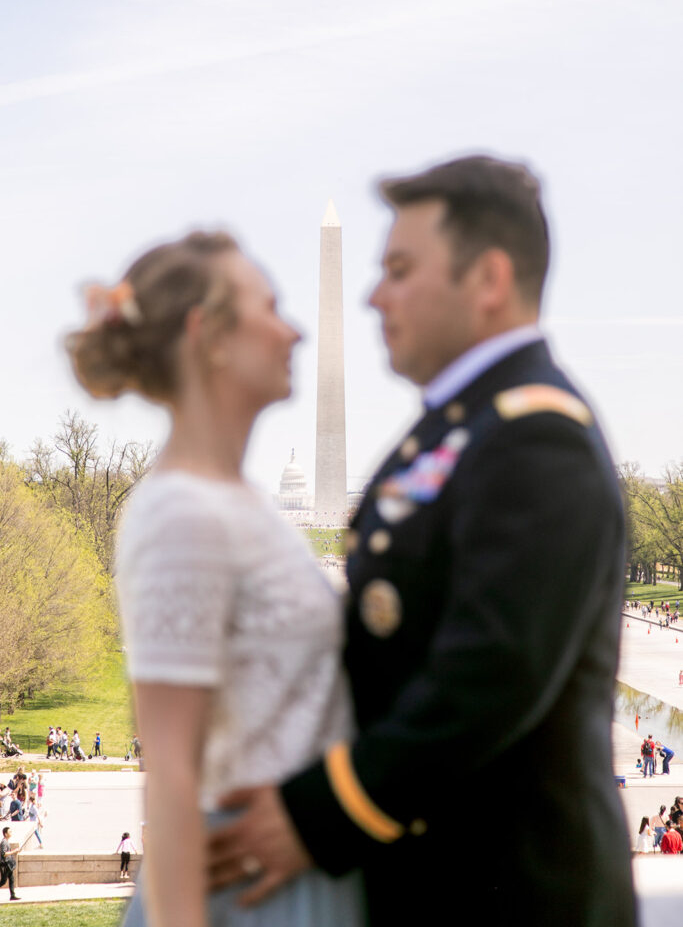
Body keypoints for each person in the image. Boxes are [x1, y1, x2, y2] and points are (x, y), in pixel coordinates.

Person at [207, 155, 636, 926]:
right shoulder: (456, 431)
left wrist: (318, 812)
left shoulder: (536, 438)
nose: (373, 295)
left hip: (509, 891)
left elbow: (490, 672)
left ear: (489, 281)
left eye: (400, 269)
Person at [66, 230, 365, 927]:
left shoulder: (229, 500)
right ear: (211, 336)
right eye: (270, 307)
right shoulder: (180, 512)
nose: (294, 331)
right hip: (248, 899)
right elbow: (170, 777)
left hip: (290, 878)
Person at [0, 826, 20, 900]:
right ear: (5, 834)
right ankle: (12, 895)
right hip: (4, 865)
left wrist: (15, 851)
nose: (11, 833)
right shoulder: (4, 842)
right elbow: (4, 854)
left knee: (11, 879)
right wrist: (14, 851)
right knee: (3, 881)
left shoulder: (6, 841)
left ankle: (12, 895)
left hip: (8, 864)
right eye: (10, 832)